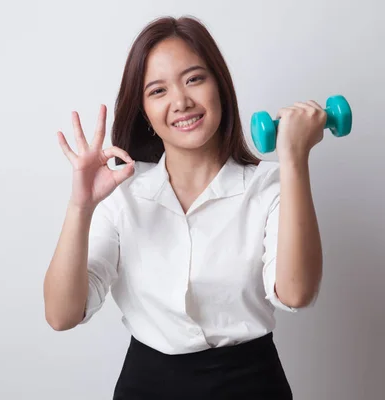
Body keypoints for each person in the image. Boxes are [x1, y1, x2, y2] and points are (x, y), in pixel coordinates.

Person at [43, 15, 325, 400]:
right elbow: (61, 316)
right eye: (158, 91)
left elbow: (296, 293)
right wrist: (81, 207)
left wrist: (293, 159)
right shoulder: (121, 193)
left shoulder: (269, 186)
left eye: (194, 79)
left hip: (251, 387)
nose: (181, 101)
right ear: (143, 109)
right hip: (147, 387)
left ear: (220, 86)